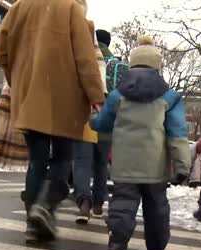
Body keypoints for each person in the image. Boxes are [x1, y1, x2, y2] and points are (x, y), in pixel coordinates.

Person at [0, 0, 105, 243]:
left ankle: (32, 224)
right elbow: (85, 60)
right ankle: (44, 207)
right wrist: (96, 96)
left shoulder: (19, 7)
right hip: (63, 99)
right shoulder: (71, 9)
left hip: (29, 97)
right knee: (63, 159)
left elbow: (1, 51)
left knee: (37, 159)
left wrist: (18, 80)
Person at [90, 35, 191, 250]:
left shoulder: (117, 96)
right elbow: (177, 135)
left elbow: (103, 124)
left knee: (123, 205)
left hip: (124, 165)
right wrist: (183, 167)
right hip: (155, 167)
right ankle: (156, 244)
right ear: (158, 65)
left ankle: (117, 246)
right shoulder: (170, 98)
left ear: (133, 64)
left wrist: (92, 117)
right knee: (157, 207)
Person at [71, 0, 111, 224]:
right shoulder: (117, 64)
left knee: (82, 161)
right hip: (107, 118)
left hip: (86, 113)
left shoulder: (84, 53)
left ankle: (83, 203)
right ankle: (98, 202)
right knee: (101, 163)